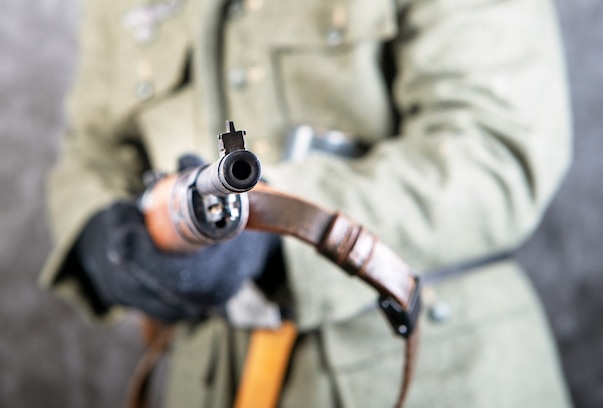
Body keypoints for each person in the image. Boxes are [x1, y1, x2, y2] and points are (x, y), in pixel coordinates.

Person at [41, 0, 574, 406]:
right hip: (208, 379)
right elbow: (93, 149)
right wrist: (96, 231)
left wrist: (286, 223)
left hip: (433, 372)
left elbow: (496, 148)